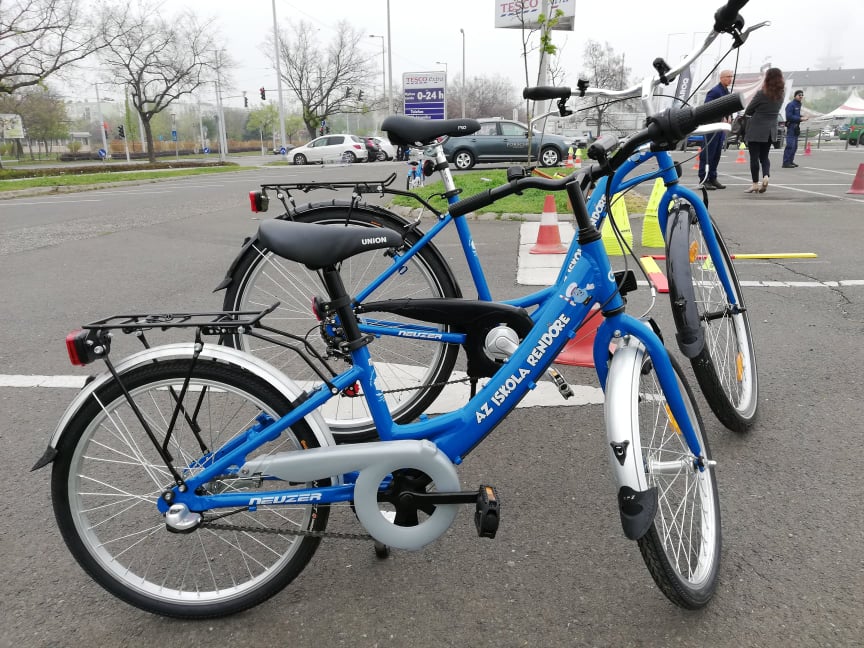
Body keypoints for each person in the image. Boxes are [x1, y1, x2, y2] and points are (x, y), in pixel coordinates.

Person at [743, 67, 785, 194]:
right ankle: (766, 176)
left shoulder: (762, 93)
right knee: (764, 157)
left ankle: (755, 184)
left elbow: (749, 110)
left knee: (754, 157)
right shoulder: (781, 94)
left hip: (756, 129)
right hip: (770, 129)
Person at [698, 69, 734, 190]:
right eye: (728, 76)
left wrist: (729, 117)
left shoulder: (726, 92)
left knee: (717, 154)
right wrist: (721, 117)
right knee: (708, 153)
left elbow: (728, 108)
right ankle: (704, 178)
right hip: (711, 128)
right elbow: (708, 109)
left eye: (731, 77)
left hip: (720, 129)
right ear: (722, 78)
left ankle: (713, 177)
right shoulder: (714, 92)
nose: (730, 79)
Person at [782, 90, 808, 168]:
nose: (801, 96)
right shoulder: (791, 105)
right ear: (795, 96)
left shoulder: (798, 104)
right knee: (790, 145)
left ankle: (790, 161)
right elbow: (789, 116)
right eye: (799, 95)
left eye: (802, 95)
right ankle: (785, 162)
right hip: (791, 127)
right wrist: (800, 119)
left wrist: (802, 116)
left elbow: (796, 114)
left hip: (796, 127)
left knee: (795, 146)